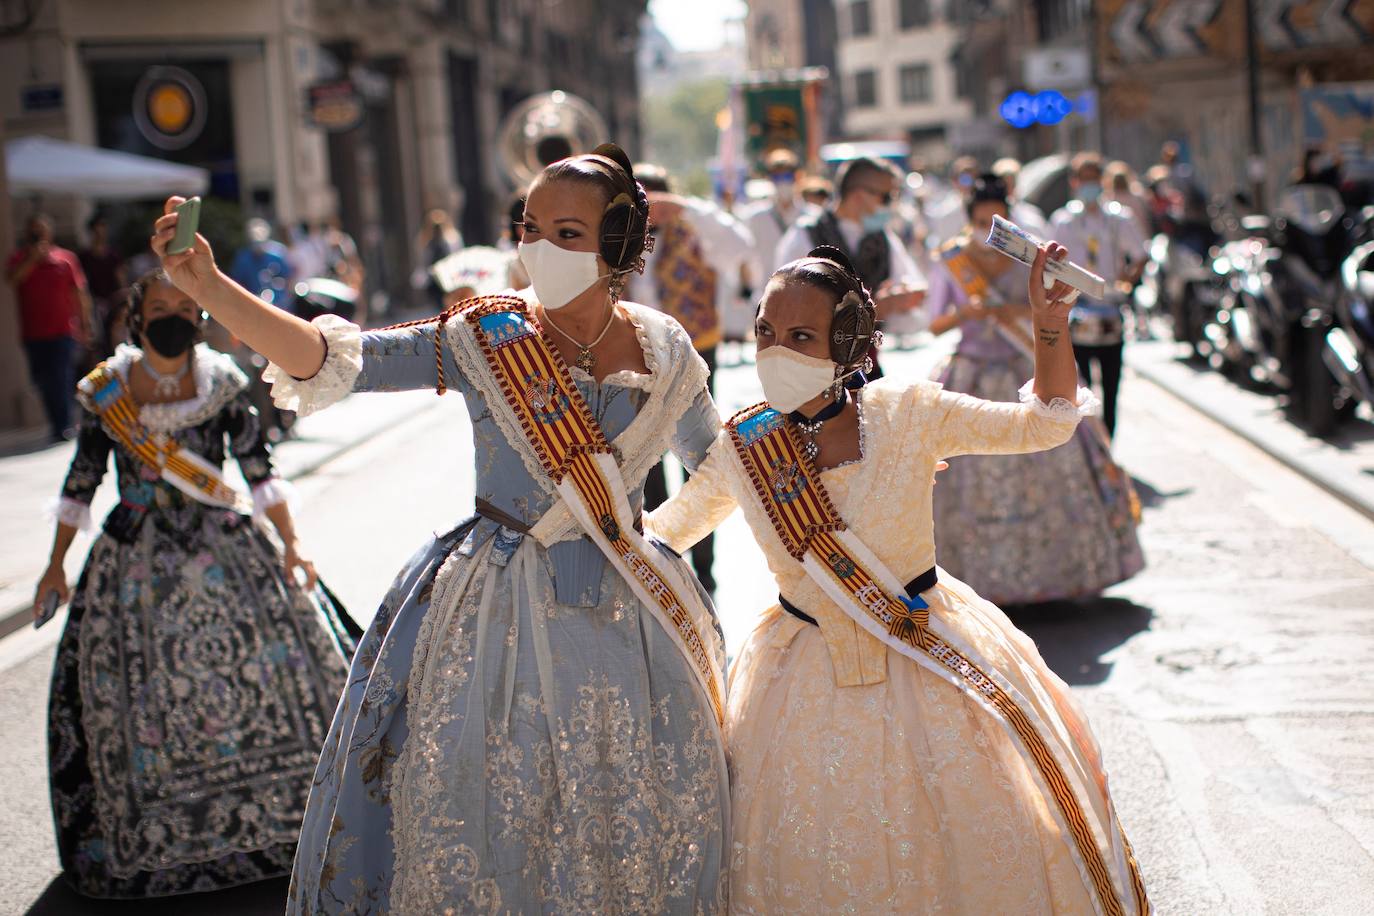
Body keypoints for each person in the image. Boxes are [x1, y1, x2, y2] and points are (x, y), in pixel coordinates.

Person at [150, 142, 729, 912]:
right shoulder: (484, 337)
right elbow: (333, 357)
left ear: (618, 243)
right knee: (491, 806)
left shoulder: (666, 349)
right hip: (493, 608)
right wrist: (212, 287)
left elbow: (720, 469)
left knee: (639, 804)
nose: (535, 249)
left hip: (634, 610)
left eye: (564, 232)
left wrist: (650, 541)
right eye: (526, 228)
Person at [645, 244, 1150, 915]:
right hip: (801, 672)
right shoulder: (744, 448)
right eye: (766, 331)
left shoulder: (908, 412)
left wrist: (1048, 327)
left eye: (801, 336)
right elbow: (661, 536)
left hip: (929, 651)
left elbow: (1045, 425)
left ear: (848, 345)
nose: (775, 350)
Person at [32, 269, 358, 898]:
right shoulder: (106, 392)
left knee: (280, 665)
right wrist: (54, 563)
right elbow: (81, 482)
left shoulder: (226, 385)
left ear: (202, 315)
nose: (174, 315)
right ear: (137, 316)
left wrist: (292, 544)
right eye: (160, 306)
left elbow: (259, 472)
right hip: (133, 557)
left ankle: (290, 826)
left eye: (186, 304)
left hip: (225, 543)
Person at [925, 176, 1144, 605]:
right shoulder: (950, 259)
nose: (986, 224)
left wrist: (1018, 309)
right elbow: (934, 322)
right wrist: (967, 313)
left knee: (1055, 445)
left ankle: (1062, 573)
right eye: (979, 216)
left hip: (1027, 369)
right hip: (971, 372)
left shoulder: (1029, 255)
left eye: (995, 215)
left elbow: (1062, 297)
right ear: (969, 216)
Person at [630, 163, 754, 594]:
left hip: (697, 349)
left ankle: (704, 566)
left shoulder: (697, 230)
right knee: (646, 460)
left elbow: (741, 243)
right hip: (639, 356)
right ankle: (665, 557)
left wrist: (686, 208)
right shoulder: (624, 240)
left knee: (701, 459)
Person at [776, 156, 927, 377]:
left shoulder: (882, 238)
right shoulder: (806, 235)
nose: (892, 205)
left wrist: (905, 296)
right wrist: (875, 308)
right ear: (858, 195)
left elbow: (911, 283)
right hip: (813, 370)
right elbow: (786, 308)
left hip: (866, 366)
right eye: (887, 197)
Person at [1051, 152, 1148, 437]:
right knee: (1080, 389)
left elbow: (1141, 254)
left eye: (1095, 179)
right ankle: (1090, 443)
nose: (1089, 186)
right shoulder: (1063, 221)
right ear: (1074, 182)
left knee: (1111, 385)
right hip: (1077, 311)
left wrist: (1127, 280)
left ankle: (1110, 440)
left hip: (1110, 309)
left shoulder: (1118, 219)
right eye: (1085, 180)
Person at [6, 214, 92, 441]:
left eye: (41, 230)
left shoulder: (65, 259)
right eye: (34, 230)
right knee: (42, 381)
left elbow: (79, 294)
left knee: (61, 377)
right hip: (33, 332)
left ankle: (64, 425)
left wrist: (85, 325)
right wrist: (32, 260)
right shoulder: (20, 259)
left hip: (63, 331)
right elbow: (13, 280)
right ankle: (56, 423)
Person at [740, 148, 805, 282]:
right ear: (770, 180)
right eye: (777, 178)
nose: (782, 182)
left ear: (797, 177)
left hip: (803, 295)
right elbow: (744, 256)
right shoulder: (755, 217)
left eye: (787, 177)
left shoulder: (812, 217)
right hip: (765, 294)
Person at [78, 214, 127, 359]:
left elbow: (121, 279)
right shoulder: (84, 257)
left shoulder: (113, 255)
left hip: (113, 303)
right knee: (96, 343)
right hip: (93, 304)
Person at [228, 218, 293, 304]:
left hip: (278, 302)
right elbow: (237, 281)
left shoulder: (277, 255)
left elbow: (288, 278)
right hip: (252, 301)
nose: (258, 246)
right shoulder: (243, 259)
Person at [992, 156, 1051, 238]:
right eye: (1004, 184)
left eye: (1012, 183)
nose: (1008, 189)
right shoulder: (988, 216)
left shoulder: (1032, 214)